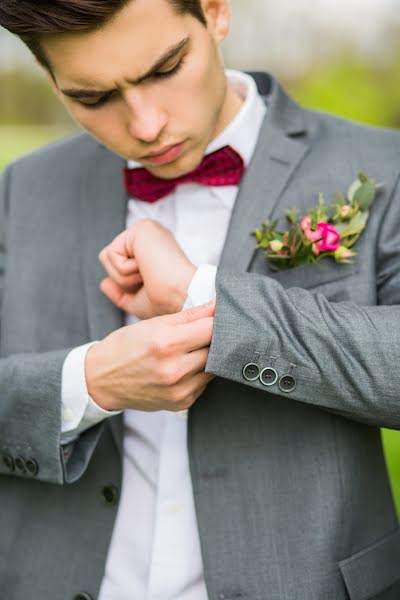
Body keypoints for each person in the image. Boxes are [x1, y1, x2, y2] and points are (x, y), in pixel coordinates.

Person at [0, 0, 400, 599]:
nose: (145, 124)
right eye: (92, 97)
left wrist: (203, 297)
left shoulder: (381, 167)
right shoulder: (22, 190)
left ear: (214, 11)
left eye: (165, 69)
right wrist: (89, 383)